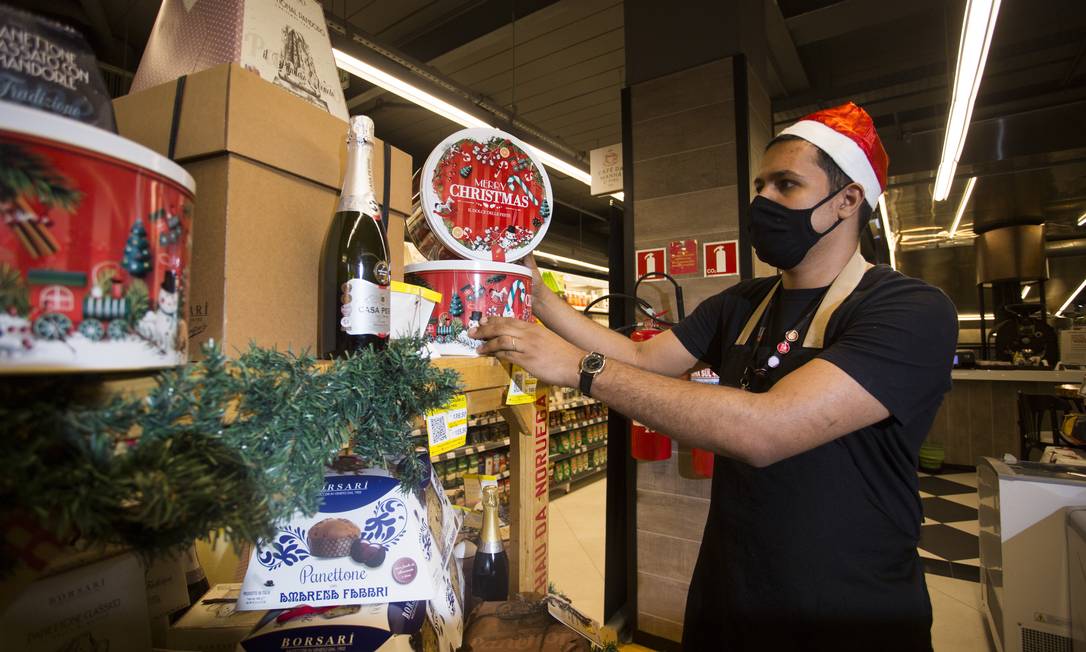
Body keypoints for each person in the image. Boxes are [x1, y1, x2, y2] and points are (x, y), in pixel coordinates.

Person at [469, 102, 957, 651]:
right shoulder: (742, 303)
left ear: (847, 201)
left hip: (849, 612)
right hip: (730, 594)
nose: (762, 200)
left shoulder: (908, 309)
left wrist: (575, 367)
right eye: (760, 184)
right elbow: (644, 359)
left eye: (786, 185)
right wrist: (538, 295)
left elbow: (765, 430)